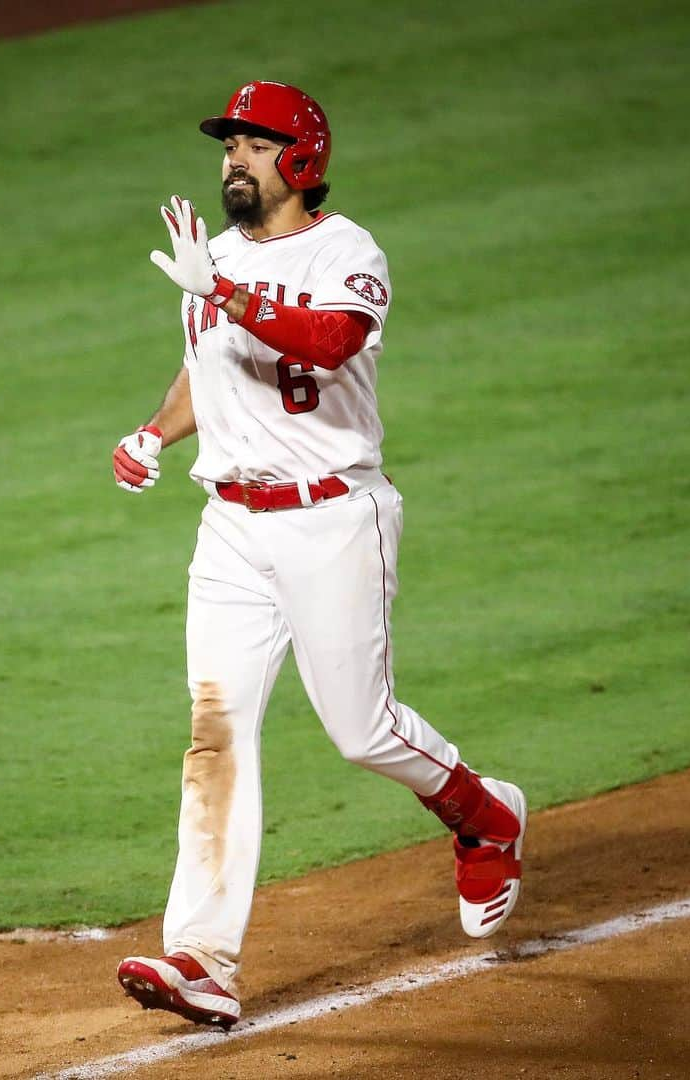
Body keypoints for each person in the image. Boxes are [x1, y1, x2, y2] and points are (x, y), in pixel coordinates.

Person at [112, 81, 526, 1029]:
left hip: (335, 519)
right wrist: (153, 430)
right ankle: (202, 959)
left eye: (255, 146)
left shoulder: (349, 251)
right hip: (230, 529)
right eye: (229, 146)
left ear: (301, 161)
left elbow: (330, 343)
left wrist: (221, 288)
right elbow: (209, 366)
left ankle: (484, 815)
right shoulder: (209, 259)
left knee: (361, 730)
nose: (233, 161)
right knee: (214, 732)